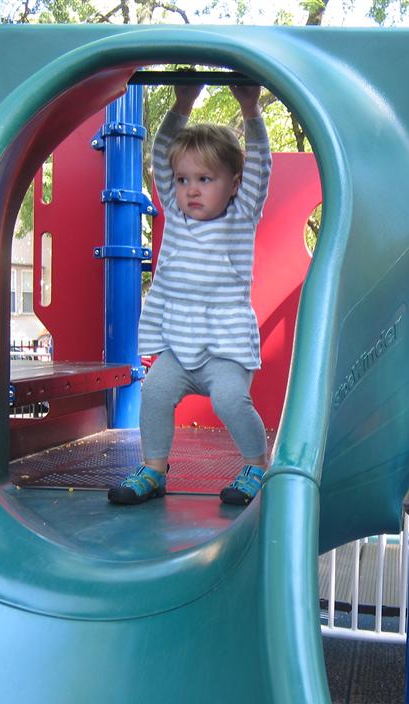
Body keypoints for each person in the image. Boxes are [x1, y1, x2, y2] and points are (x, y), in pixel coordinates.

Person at [108, 83, 272, 506]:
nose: (191, 189)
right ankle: (154, 469)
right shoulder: (177, 215)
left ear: (234, 185)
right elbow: (162, 154)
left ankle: (257, 464)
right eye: (183, 180)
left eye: (205, 179)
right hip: (178, 347)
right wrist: (182, 104)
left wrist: (251, 109)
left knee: (230, 399)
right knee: (154, 393)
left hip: (225, 350)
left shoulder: (241, 215)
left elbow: (260, 165)